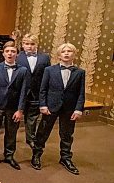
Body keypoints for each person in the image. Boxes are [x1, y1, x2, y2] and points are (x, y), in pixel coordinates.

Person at [31, 43, 85, 175]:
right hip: (50, 106)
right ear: (59, 55)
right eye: (63, 51)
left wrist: (78, 109)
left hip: (69, 108)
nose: (66, 53)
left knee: (67, 134)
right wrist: (43, 105)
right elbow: (42, 90)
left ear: (74, 54)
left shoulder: (80, 72)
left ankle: (65, 158)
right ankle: (36, 155)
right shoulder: (49, 70)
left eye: (69, 51)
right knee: (42, 133)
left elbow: (81, 93)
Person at [0, 41, 30, 170]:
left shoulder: (23, 70)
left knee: (11, 133)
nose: (10, 54)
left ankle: (9, 155)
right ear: (3, 53)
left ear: (17, 54)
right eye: (7, 51)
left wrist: (20, 110)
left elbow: (24, 91)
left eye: (13, 51)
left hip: (13, 108)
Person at [16, 34, 50, 148]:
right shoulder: (17, 56)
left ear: (37, 44)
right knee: (15, 116)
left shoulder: (44, 58)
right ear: (22, 45)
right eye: (26, 44)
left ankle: (30, 138)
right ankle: (11, 139)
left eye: (32, 44)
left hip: (36, 92)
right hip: (19, 92)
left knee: (32, 117)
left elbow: (47, 76)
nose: (29, 47)